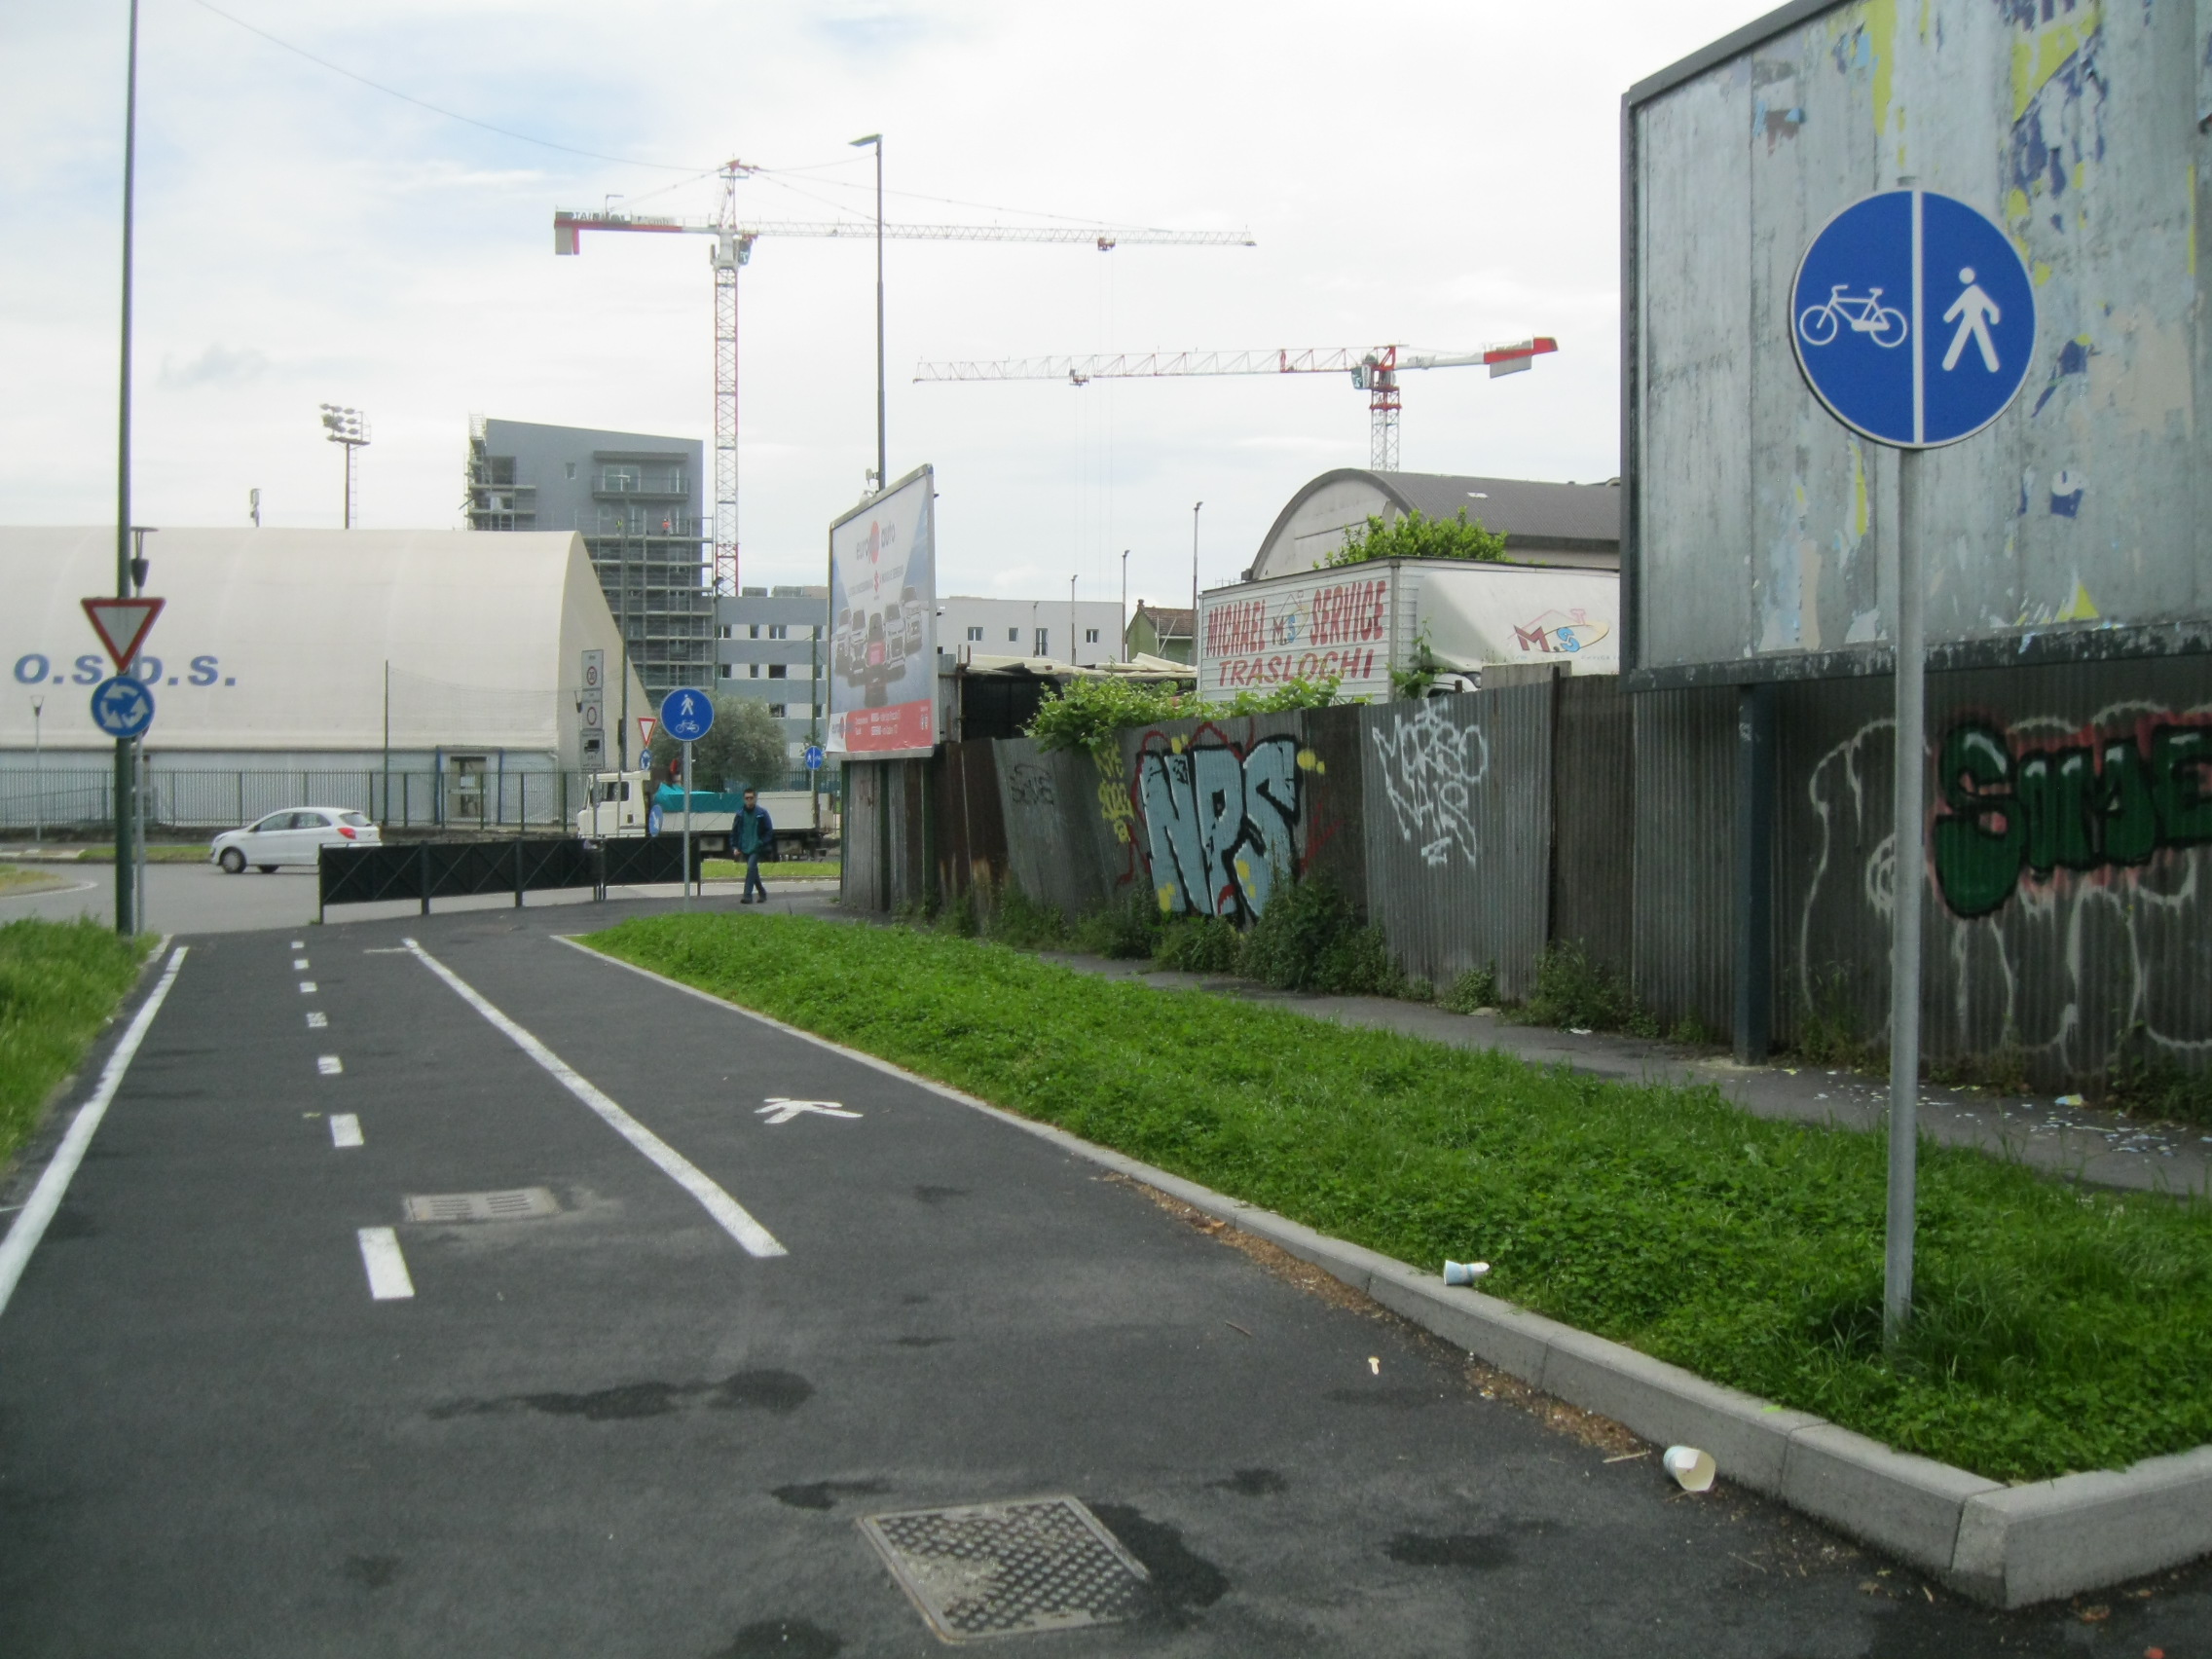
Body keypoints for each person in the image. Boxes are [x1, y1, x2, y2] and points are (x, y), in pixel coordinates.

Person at [735, 788, 773, 903]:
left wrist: (761, 842)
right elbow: (735, 832)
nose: (749, 800)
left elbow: (769, 831)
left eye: (751, 798)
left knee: (751, 867)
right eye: (747, 798)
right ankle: (762, 893)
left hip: (756, 847)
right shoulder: (740, 814)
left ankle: (747, 896)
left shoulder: (762, 813)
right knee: (753, 871)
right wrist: (735, 847)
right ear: (743, 799)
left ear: (755, 798)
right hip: (745, 846)